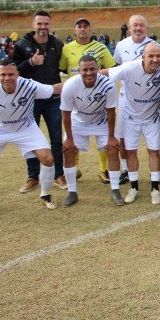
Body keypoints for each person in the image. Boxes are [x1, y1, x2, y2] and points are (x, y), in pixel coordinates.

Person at [0, 59, 63, 217]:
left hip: (26, 128)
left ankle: (45, 194)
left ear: (17, 74)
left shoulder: (28, 85)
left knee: (48, 158)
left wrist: (80, 81)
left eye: (11, 74)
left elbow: (54, 89)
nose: (7, 78)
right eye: (3, 74)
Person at [104, 42, 160, 205]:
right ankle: (134, 187)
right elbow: (105, 74)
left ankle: (155, 189)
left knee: (154, 152)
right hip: (131, 119)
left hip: (152, 118)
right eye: (150, 56)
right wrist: (81, 80)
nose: (155, 59)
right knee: (131, 152)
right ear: (143, 57)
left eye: (158, 56)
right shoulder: (129, 68)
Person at [10, 10, 66, 193]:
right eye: (39, 23)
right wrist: (30, 63)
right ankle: (33, 177)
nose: (43, 27)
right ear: (33, 24)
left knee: (56, 138)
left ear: (50, 25)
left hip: (53, 100)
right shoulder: (21, 45)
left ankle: (58, 174)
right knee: (29, 139)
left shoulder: (57, 44)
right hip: (30, 100)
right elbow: (12, 70)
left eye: (46, 24)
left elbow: (62, 66)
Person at [60, 17, 117, 184]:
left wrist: (97, 78)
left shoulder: (100, 47)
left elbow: (111, 69)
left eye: (85, 26)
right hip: (76, 98)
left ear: (90, 29)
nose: (82, 29)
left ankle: (103, 169)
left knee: (104, 139)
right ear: (75, 30)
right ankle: (75, 169)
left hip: (97, 98)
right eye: (79, 26)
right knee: (72, 138)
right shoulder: (66, 49)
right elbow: (63, 69)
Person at [60, 55, 122, 207]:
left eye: (92, 69)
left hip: (101, 120)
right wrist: (69, 139)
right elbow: (66, 114)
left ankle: (115, 190)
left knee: (113, 149)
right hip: (78, 121)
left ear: (98, 68)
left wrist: (112, 137)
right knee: (68, 150)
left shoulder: (108, 84)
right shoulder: (70, 85)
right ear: (78, 71)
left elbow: (111, 112)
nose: (89, 73)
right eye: (85, 70)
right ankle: (72, 192)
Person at [113, 14, 153, 185]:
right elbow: (116, 69)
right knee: (122, 136)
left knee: (151, 139)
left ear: (146, 27)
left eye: (141, 25)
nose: (138, 28)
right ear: (129, 27)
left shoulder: (154, 46)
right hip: (125, 100)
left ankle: (155, 173)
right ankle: (125, 170)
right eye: (135, 25)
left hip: (148, 101)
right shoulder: (121, 45)